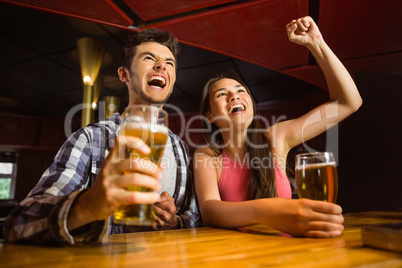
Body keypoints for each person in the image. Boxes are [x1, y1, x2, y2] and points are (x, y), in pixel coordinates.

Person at [3, 29, 199, 245]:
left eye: (169, 63)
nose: (161, 65)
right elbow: (18, 224)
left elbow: (193, 214)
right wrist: (89, 205)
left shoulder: (180, 147)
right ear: (124, 74)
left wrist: (174, 222)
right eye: (149, 58)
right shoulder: (89, 138)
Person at [193, 16, 362, 238]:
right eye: (222, 94)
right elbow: (210, 211)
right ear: (210, 116)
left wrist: (316, 44)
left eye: (241, 90)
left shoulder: (276, 137)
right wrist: (267, 211)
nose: (234, 96)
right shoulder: (207, 155)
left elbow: (348, 102)